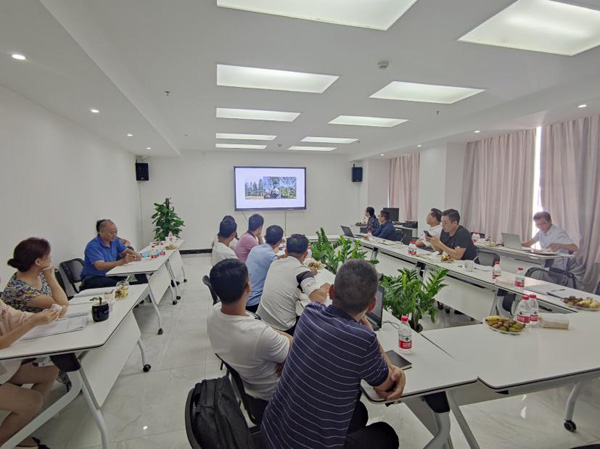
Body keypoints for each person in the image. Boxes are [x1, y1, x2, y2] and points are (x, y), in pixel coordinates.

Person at [261, 260, 403, 449]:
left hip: (271, 432)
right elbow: (388, 384)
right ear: (371, 305)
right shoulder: (363, 341)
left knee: (359, 411)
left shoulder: (310, 313)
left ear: (331, 292)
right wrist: (396, 370)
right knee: (385, 434)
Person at [207, 259, 291, 415]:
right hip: (274, 396)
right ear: (247, 287)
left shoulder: (214, 312)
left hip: (246, 386)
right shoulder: (259, 335)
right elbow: (293, 344)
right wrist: (273, 335)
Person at [0, 292, 60, 448]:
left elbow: (16, 317)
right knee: (32, 402)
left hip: (4, 367)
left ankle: (19, 428)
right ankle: (4, 440)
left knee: (49, 371)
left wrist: (48, 315)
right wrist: (32, 323)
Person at [257, 234, 330, 335]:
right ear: (306, 254)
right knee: (316, 321)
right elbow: (319, 299)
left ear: (286, 251)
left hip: (261, 321)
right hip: (283, 328)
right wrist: (325, 287)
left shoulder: (274, 264)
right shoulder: (302, 272)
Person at [2, 238, 68, 314]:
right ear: (38, 261)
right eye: (48, 254)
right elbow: (62, 304)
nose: (50, 256)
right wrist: (51, 278)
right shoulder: (20, 290)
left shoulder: (39, 274)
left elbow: (61, 306)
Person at [80, 219, 142, 290]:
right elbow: (100, 266)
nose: (114, 235)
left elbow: (125, 250)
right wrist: (122, 261)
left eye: (116, 232)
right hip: (94, 278)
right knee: (122, 287)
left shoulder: (114, 240)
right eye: (111, 233)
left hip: (110, 274)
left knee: (137, 279)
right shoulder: (93, 246)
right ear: (101, 232)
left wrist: (136, 254)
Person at [246, 225, 284, 313]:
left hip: (244, 298)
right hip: (255, 303)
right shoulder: (272, 257)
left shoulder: (254, 249)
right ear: (280, 241)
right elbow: (281, 278)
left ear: (265, 237)